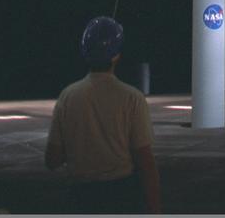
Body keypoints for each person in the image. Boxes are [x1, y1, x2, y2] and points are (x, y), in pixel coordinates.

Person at [45, 16, 161, 215]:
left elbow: (52, 159)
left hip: (79, 198)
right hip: (121, 196)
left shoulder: (68, 96)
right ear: (117, 55)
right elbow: (145, 161)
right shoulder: (132, 98)